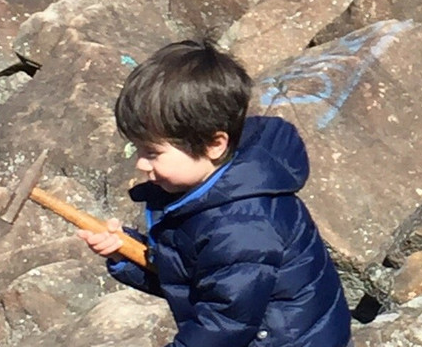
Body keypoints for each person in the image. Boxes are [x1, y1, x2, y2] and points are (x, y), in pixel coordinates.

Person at [78, 41, 352, 347]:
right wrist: (125, 254)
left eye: (153, 153)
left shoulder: (242, 226)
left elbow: (225, 323)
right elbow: (191, 279)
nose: (141, 164)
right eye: (138, 149)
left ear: (214, 144)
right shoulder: (202, 196)